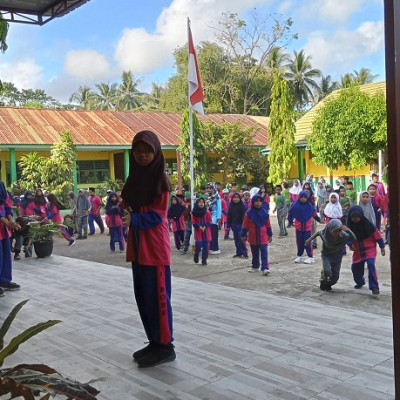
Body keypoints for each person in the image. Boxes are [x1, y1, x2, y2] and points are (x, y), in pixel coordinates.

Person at [121, 130, 175, 368]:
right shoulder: (134, 179)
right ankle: (153, 341)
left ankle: (165, 346)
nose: (142, 155)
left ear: (156, 152)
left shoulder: (161, 181)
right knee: (143, 296)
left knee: (158, 297)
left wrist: (134, 219)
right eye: (138, 151)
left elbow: (158, 215)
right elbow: (127, 204)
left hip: (154, 247)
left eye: (147, 151)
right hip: (137, 245)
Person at [306, 219, 356, 292]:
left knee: (335, 278)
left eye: (339, 231)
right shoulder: (324, 233)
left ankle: (328, 284)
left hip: (337, 256)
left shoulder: (343, 235)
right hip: (326, 255)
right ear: (330, 229)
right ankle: (323, 282)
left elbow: (353, 238)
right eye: (335, 231)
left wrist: (348, 230)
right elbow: (317, 233)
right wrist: (309, 240)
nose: (337, 233)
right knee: (327, 271)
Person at [347, 205, 385, 296]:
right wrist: (349, 243)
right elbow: (346, 237)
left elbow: (378, 236)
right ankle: (360, 281)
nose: (355, 219)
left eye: (357, 216)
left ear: (361, 215)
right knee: (355, 269)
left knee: (371, 265)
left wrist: (382, 246)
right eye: (353, 217)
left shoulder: (368, 225)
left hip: (369, 249)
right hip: (358, 251)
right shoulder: (349, 227)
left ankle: (374, 287)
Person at [0, 167, 21, 296]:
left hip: (3, 229)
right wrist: (5, 221)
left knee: (5, 256)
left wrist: (11, 220)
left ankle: (4, 280)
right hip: (2, 224)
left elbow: (7, 205)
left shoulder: (1, 187)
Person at [288, 190, 322, 264]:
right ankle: (299, 256)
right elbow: (290, 213)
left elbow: (314, 214)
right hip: (299, 227)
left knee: (307, 242)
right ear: (299, 197)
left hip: (307, 228)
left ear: (307, 198)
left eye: (304, 197)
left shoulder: (309, 206)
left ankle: (310, 257)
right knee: (299, 242)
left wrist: (319, 220)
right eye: (301, 197)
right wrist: (290, 222)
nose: (303, 199)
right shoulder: (295, 205)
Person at [241, 194, 273, 275]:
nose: (258, 203)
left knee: (264, 253)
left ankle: (265, 268)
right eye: (256, 201)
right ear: (253, 202)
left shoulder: (265, 213)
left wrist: (270, 235)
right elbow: (245, 225)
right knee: (254, 252)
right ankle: (255, 266)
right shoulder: (248, 213)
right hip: (253, 237)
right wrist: (243, 235)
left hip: (263, 237)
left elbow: (268, 225)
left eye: (260, 201)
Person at [191, 197, 212, 266]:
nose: (201, 203)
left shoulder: (207, 212)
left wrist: (205, 226)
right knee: (199, 245)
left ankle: (204, 260)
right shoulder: (194, 213)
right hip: (198, 232)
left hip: (206, 231)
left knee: (206, 247)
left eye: (203, 202)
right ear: (197, 203)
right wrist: (199, 226)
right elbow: (193, 222)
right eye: (199, 202)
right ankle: (196, 254)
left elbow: (210, 221)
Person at [227, 192, 248, 258]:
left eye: (237, 198)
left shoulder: (242, 206)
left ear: (240, 198)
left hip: (241, 225)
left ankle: (244, 253)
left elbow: (245, 217)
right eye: (234, 198)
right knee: (236, 239)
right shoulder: (231, 206)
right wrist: (228, 225)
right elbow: (229, 216)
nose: (236, 199)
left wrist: (245, 226)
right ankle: (238, 252)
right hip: (233, 225)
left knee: (240, 238)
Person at [206, 182, 222, 255]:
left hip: (214, 217)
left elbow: (219, 208)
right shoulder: (207, 197)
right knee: (209, 233)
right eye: (208, 188)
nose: (209, 190)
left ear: (213, 188)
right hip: (208, 218)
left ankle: (216, 248)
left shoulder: (217, 197)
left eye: (210, 188)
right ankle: (211, 247)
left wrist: (219, 217)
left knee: (214, 234)